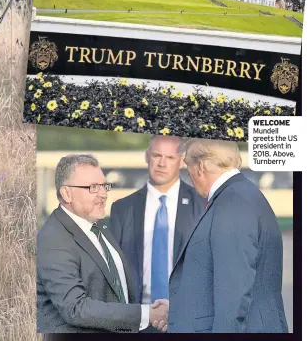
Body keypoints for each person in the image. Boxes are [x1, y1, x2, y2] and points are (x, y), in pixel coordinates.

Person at [37, 154, 169, 334]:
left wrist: (150, 311)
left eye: (104, 186)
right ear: (66, 193)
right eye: (93, 187)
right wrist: (146, 313)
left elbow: (115, 292)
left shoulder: (99, 226)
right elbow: (76, 309)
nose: (103, 194)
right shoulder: (53, 239)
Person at [168, 138, 288, 332]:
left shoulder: (232, 201)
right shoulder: (240, 194)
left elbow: (234, 292)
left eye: (187, 167)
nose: (188, 175)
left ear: (200, 167)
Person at [109, 135, 205, 333]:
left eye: (170, 158)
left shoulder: (202, 205)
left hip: (187, 318)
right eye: (156, 156)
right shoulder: (122, 208)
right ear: (147, 156)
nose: (162, 163)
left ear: (181, 161)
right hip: (137, 320)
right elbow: (113, 268)